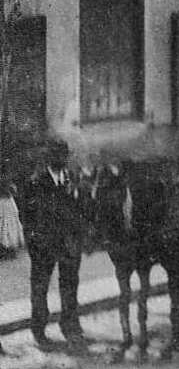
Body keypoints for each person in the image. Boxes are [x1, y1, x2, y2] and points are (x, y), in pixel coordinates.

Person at [19, 140, 90, 350]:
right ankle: (39, 329)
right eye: (56, 155)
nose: (61, 159)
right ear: (48, 158)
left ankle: (70, 326)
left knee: (70, 287)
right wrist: (33, 241)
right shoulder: (35, 182)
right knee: (40, 288)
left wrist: (78, 236)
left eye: (63, 155)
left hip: (68, 244)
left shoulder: (72, 179)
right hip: (44, 246)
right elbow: (26, 215)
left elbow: (81, 210)